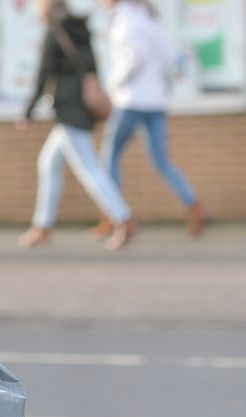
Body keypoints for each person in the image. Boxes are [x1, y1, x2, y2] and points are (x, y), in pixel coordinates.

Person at [17, 0, 136, 250]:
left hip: (69, 111)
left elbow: (43, 74)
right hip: (82, 108)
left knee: (90, 170)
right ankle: (42, 226)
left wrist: (28, 112)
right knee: (48, 164)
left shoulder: (56, 32)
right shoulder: (81, 30)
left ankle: (123, 218)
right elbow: (93, 68)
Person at [98, 0, 205, 236]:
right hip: (156, 101)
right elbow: (169, 59)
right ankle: (193, 205)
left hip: (131, 101)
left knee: (110, 155)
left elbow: (135, 57)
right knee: (161, 161)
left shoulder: (126, 20)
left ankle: (114, 215)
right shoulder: (151, 19)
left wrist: (112, 84)